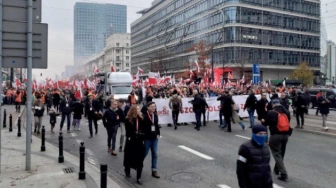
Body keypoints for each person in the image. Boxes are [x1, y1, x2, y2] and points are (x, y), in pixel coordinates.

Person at [262, 99, 291, 182]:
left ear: (273, 104)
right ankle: (277, 169)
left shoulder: (271, 112)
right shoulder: (286, 112)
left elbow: (266, 123)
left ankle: (283, 173)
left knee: (277, 154)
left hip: (275, 136)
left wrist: (263, 121)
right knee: (281, 153)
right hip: (286, 135)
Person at [124, 105, 145, 185]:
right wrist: (134, 133)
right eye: (137, 109)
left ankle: (138, 177)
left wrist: (141, 134)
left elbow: (144, 128)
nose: (139, 110)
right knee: (129, 157)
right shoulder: (128, 119)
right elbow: (128, 132)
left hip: (139, 142)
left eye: (139, 109)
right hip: (131, 141)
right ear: (133, 110)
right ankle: (127, 170)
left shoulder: (141, 118)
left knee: (140, 159)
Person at [143, 102, 160, 179]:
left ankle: (154, 170)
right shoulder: (144, 116)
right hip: (147, 138)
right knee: (144, 153)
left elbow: (156, 125)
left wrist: (158, 133)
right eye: (152, 106)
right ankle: (139, 165)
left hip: (154, 138)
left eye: (154, 106)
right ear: (148, 107)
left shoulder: (155, 115)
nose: (153, 108)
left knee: (155, 154)